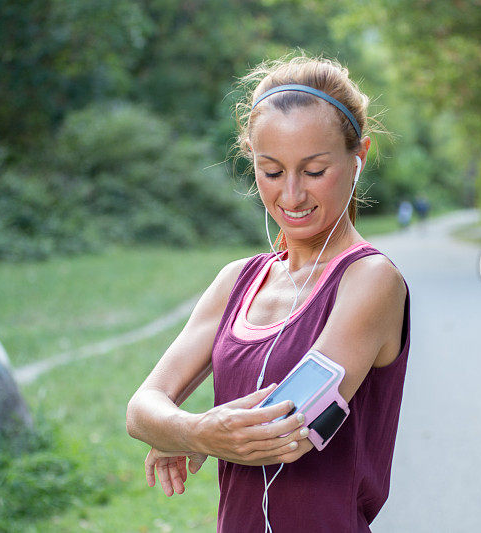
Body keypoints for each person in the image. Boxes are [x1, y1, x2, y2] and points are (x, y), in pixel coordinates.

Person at [126, 54, 411, 532]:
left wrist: (183, 434)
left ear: (357, 158)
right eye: (272, 172)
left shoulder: (371, 280)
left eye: (315, 171)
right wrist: (196, 431)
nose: (292, 195)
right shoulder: (236, 280)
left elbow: (288, 429)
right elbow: (141, 409)